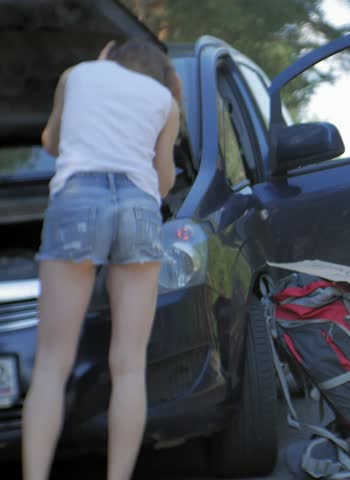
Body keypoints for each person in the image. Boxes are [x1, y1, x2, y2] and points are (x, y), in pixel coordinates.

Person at [21, 38, 181, 480]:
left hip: (77, 199)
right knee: (129, 363)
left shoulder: (77, 75)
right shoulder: (165, 100)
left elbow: (51, 142)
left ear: (108, 53)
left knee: (53, 363)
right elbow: (163, 180)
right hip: (138, 206)